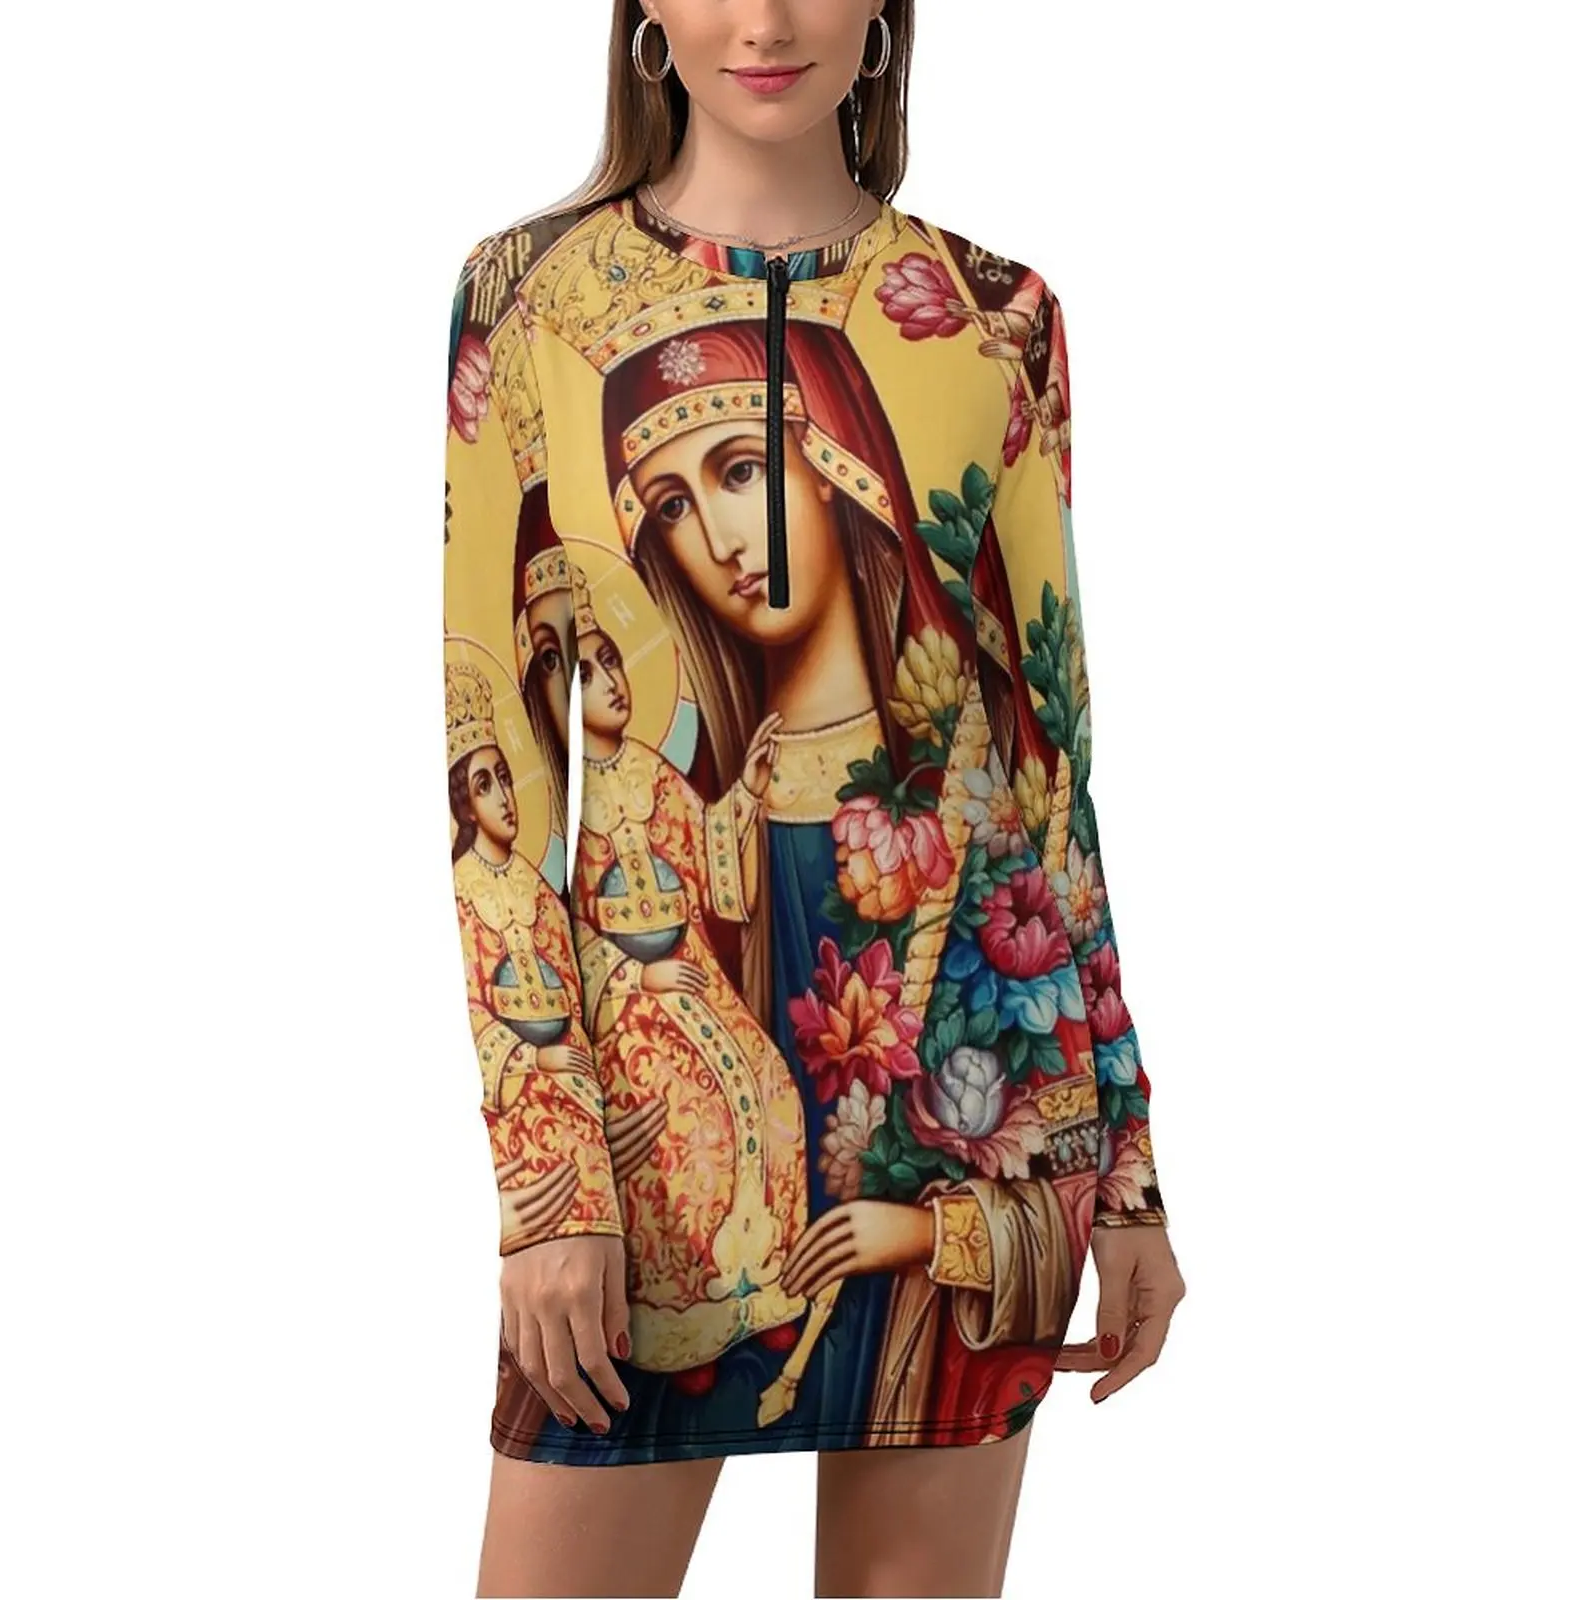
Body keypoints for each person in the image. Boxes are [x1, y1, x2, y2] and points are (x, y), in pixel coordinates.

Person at [441, 4, 1185, 1594]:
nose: (764, 21)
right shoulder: (530, 298)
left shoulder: (996, 318)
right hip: (650, 1169)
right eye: (674, 499)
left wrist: (1126, 1180)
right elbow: (493, 789)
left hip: (980, 1144)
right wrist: (549, 1190)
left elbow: (1052, 779)